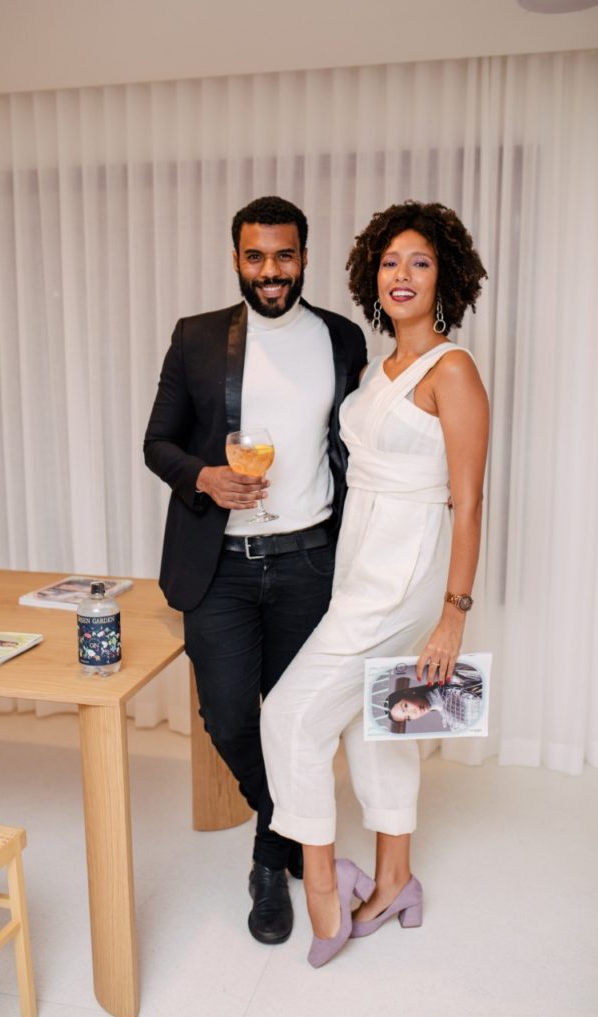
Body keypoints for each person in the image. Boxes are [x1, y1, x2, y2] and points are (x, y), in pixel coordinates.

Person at [261, 200, 489, 967]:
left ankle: (325, 886)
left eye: (420, 262)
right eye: (390, 261)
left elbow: (468, 502)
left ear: (445, 277)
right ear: (372, 275)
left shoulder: (452, 370)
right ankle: (395, 881)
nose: (402, 274)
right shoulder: (371, 371)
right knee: (379, 717)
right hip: (361, 560)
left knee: (291, 717)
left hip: (405, 573)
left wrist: (453, 615)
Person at [143, 196, 367, 945]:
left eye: (284, 255)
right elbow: (157, 443)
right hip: (222, 567)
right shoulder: (197, 337)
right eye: (255, 256)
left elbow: (357, 446)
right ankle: (290, 826)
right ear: (237, 259)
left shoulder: (340, 338)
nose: (271, 271)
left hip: (310, 562)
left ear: (303, 256)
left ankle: (269, 863)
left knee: (299, 719)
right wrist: (204, 478)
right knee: (231, 716)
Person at [387, 676, 483, 732]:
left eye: (406, 706)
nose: (413, 713)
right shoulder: (451, 721)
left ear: (408, 694)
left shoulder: (451, 681)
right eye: (408, 717)